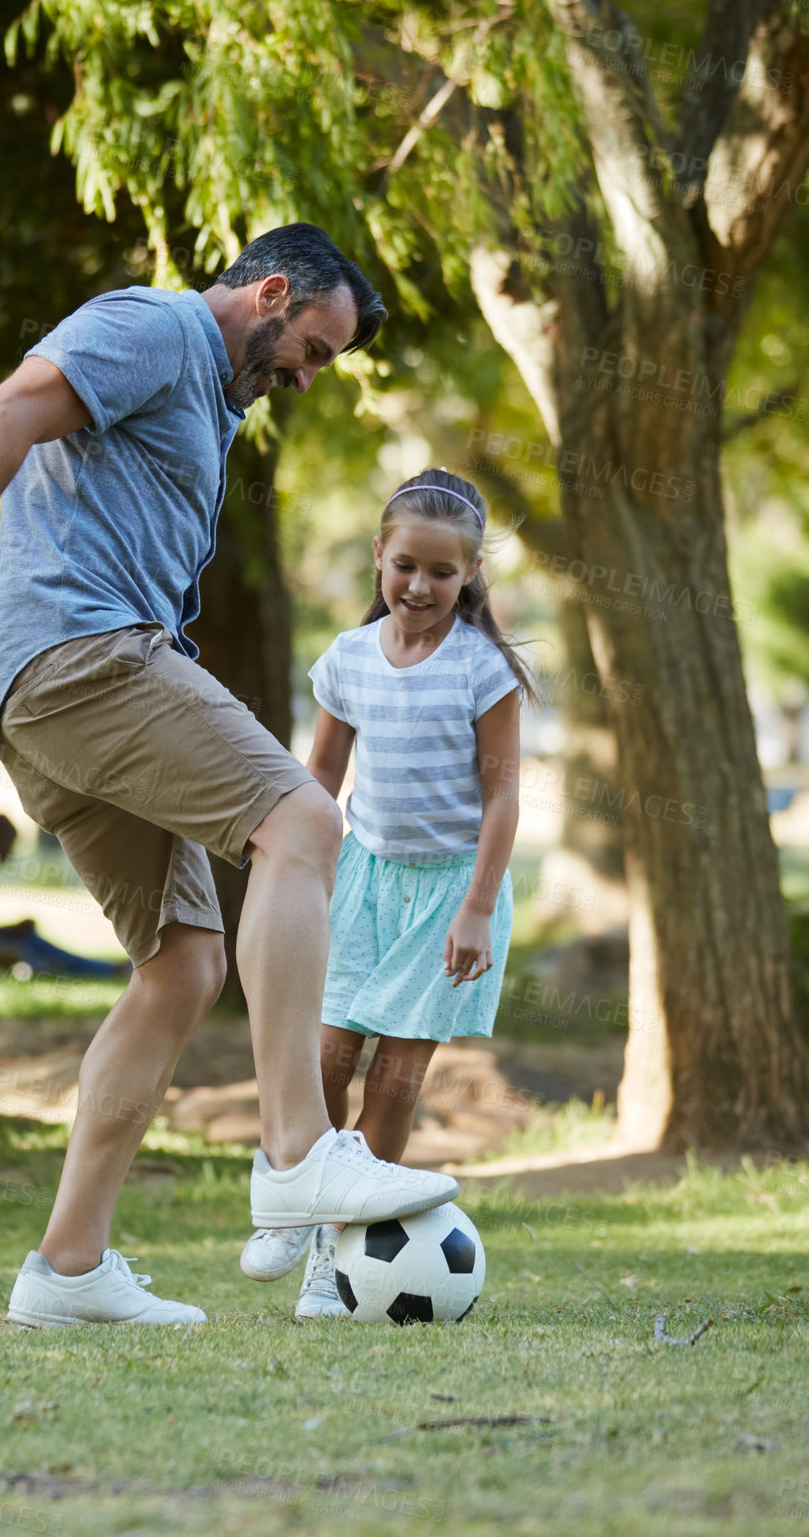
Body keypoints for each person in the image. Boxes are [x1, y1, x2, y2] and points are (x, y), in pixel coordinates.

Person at [0, 224, 460, 1328]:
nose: (307, 377)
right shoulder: (155, 328)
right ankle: (295, 1151)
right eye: (313, 349)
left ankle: (68, 1268)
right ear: (271, 292)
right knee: (302, 820)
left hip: (62, 690)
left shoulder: (210, 399)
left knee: (185, 965)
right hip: (79, 658)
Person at [238, 468, 538, 1318]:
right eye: (406, 564)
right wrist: (283, 861)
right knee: (324, 1054)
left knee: (398, 1076)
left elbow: (504, 793)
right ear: (379, 555)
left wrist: (477, 905)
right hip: (363, 878)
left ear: (470, 574)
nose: (420, 586)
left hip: (451, 890)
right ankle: (301, 1194)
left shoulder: (483, 669)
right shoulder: (347, 660)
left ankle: (340, 1263)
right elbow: (322, 774)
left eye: (443, 573)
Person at [0, 813, 127, 980]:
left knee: (28, 940)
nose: (9, 854)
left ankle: (106, 969)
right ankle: (107, 971)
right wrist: (12, 930)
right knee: (31, 946)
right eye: (9, 845)